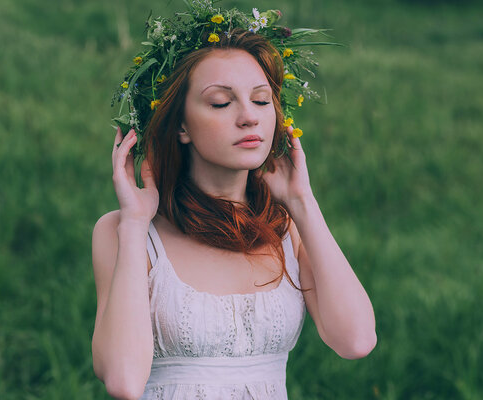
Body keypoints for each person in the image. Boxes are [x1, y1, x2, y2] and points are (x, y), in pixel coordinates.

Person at [91, 6, 376, 400]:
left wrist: (302, 202)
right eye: (222, 103)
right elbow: (123, 380)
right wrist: (135, 223)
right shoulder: (126, 233)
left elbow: (356, 340)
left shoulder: (285, 227)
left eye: (261, 101)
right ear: (181, 125)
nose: (249, 118)